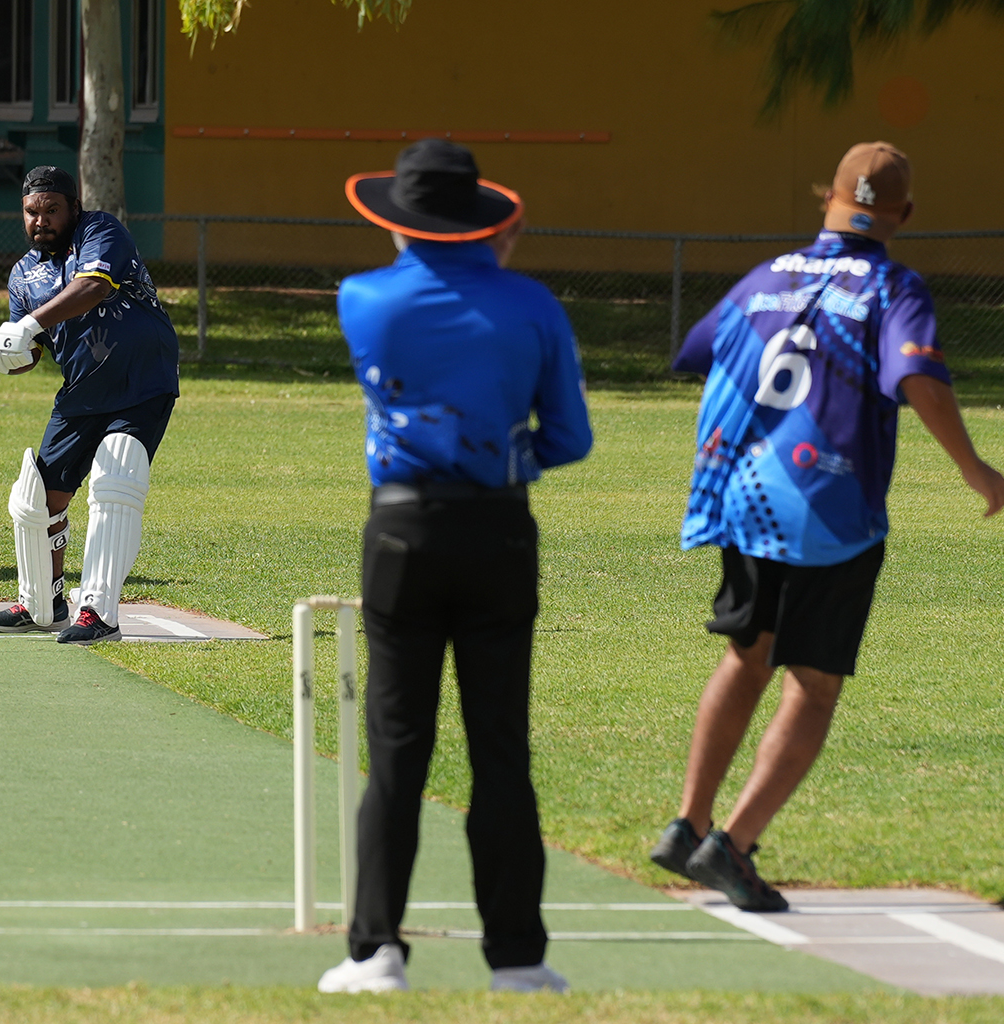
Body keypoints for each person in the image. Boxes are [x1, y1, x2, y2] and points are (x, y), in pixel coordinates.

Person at [650, 142, 1004, 912]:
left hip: (744, 498)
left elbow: (696, 349)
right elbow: (914, 374)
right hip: (828, 509)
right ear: (902, 215)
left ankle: (687, 824)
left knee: (748, 657)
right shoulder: (893, 285)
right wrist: (978, 471)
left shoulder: (768, 275)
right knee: (812, 684)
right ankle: (732, 849)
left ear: (829, 200)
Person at [316, 139, 592, 995]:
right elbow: (570, 436)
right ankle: (517, 958)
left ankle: (376, 953)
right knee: (500, 747)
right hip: (501, 531)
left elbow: (414, 292)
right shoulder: (533, 304)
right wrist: (510, 457)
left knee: (398, 751)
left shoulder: (362, 299)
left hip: (401, 532)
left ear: (399, 220)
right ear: (481, 221)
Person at [0, 166, 180, 646]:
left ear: (74, 207)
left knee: (115, 478)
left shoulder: (100, 231)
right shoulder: (22, 274)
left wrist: (29, 324)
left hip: (142, 379)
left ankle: (99, 612)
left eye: (52, 209)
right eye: (32, 211)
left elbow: (94, 286)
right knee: (35, 498)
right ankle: (42, 603)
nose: (41, 220)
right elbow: (27, 351)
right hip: (82, 392)